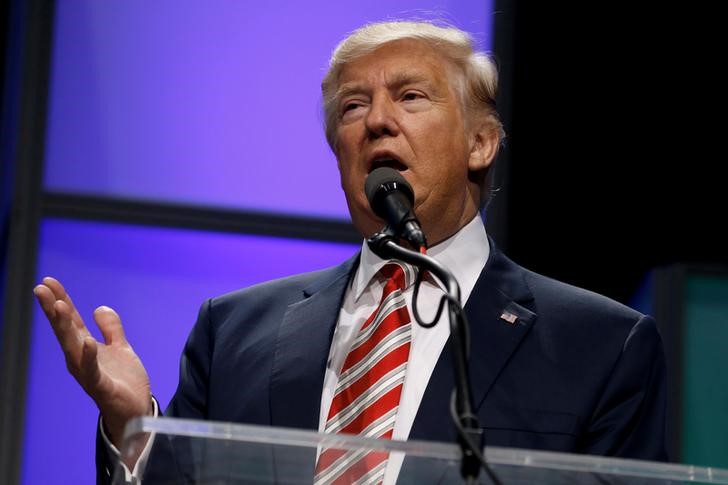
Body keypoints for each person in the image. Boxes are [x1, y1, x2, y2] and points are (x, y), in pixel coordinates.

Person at [33, 20, 667, 484]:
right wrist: (132, 428)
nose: (376, 121)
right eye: (352, 107)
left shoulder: (601, 345)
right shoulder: (233, 330)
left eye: (411, 97)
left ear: (481, 142)